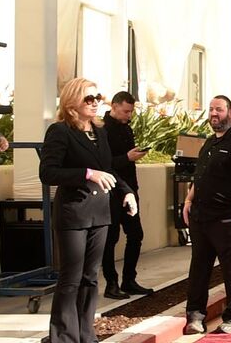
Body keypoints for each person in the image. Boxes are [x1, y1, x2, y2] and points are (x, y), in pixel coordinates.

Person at [40, 78, 138, 343]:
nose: (95, 103)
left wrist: (126, 191)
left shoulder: (100, 132)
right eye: (89, 99)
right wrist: (87, 173)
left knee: (90, 278)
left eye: (98, 98)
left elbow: (109, 169)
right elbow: (48, 172)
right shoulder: (59, 131)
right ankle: (63, 337)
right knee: (70, 278)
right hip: (74, 214)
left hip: (100, 213)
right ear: (73, 101)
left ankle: (85, 334)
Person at [181, 96, 231, 335]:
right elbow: (200, 177)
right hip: (201, 218)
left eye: (220, 109)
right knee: (199, 270)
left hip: (228, 219)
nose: (214, 113)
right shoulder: (209, 143)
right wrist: (188, 200)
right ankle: (195, 318)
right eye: (212, 109)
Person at [101, 91, 153, 300]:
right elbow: (104, 164)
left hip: (130, 188)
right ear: (114, 106)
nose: (129, 115)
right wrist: (127, 157)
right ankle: (111, 283)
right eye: (125, 111)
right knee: (110, 238)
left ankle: (129, 279)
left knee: (136, 234)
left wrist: (133, 156)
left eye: (131, 112)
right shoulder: (103, 130)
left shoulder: (126, 128)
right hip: (111, 191)